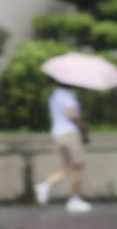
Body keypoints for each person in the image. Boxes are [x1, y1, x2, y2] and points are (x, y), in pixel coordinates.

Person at [34, 78, 91, 213]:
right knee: (79, 166)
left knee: (66, 167)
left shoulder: (54, 95)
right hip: (69, 132)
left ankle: (44, 186)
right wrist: (81, 124)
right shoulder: (67, 96)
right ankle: (75, 199)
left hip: (57, 133)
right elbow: (70, 114)